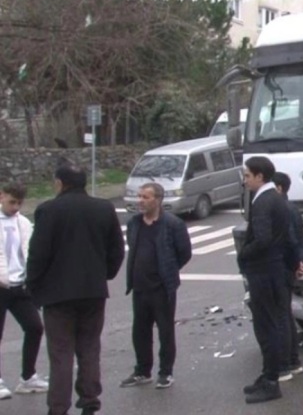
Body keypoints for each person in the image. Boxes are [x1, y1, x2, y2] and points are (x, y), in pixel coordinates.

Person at [26, 164, 125, 415]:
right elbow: (116, 249)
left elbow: (38, 254)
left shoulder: (48, 210)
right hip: (93, 291)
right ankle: (90, 399)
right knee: (89, 347)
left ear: (60, 183)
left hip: (57, 294)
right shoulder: (103, 208)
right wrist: (104, 274)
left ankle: (58, 407)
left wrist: (33, 286)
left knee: (61, 353)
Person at [119, 183, 192, 390]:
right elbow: (132, 246)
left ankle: (165, 372)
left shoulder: (172, 224)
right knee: (140, 331)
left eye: (145, 197)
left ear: (158, 199)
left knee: (165, 331)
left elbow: (184, 252)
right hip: (139, 287)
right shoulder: (134, 223)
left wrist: (168, 269)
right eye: (139, 196)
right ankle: (142, 371)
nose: (140, 201)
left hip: (162, 288)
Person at [238, 156, 291, 404]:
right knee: (271, 323)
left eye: (247, 175)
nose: (245, 180)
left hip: (263, 271)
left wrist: (243, 254)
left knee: (266, 326)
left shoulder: (263, 201)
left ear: (260, 176)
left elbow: (262, 239)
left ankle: (271, 380)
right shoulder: (277, 198)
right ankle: (268, 374)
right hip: (274, 269)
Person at [0, 182, 49, 400]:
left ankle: (28, 377)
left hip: (19, 285)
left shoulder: (23, 223)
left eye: (19, 203)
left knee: (34, 327)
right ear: (1, 196)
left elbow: (30, 251)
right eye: (12, 202)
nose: (15, 207)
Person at [272, 172, 303, 382]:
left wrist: (295, 262)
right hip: (289, 266)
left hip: (282, 267)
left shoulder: (281, 209)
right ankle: (293, 360)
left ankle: (285, 363)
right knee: (285, 313)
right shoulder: (291, 207)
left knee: (281, 316)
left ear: (278, 188)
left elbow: (292, 239)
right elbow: (299, 239)